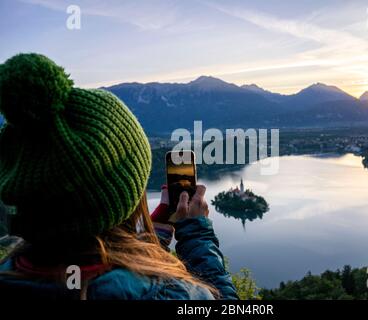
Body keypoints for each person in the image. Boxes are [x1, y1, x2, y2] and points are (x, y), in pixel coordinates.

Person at [0, 53, 238, 300]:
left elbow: (105, 257)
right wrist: (196, 234)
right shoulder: (169, 295)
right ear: (126, 200)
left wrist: (155, 232)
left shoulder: (10, 271)